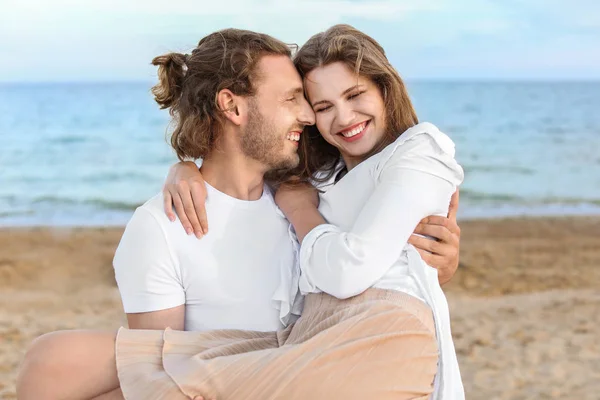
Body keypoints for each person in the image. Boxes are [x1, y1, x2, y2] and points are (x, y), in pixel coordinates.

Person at [16, 26, 462, 400]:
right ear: (231, 106)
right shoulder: (164, 225)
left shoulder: (304, 193)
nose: (309, 115)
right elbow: (153, 372)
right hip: (256, 368)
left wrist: (435, 266)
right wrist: (183, 168)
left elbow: (377, 255)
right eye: (295, 99)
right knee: (52, 361)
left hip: (327, 358)